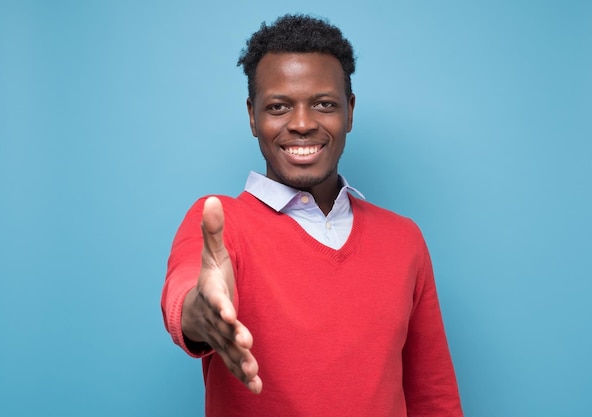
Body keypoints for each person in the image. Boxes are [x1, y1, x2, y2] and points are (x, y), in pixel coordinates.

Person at [161, 14, 463, 416]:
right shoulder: (220, 221)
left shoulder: (404, 239)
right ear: (253, 116)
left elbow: (433, 396)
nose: (302, 124)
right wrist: (205, 312)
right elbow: (183, 297)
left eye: (323, 104)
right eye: (279, 107)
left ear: (350, 111)